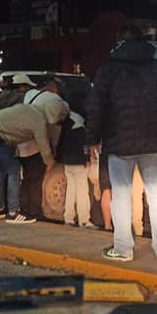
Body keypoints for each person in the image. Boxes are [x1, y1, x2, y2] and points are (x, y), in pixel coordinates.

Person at [86, 25, 157, 262]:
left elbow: (96, 107)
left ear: (120, 43)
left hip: (120, 142)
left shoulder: (108, 70)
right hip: (155, 141)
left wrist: (92, 139)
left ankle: (123, 248)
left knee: (121, 194)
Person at [0, 102, 57, 224]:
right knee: (14, 168)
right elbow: (43, 144)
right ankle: (13, 213)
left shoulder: (29, 110)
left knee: (0, 168)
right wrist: (50, 162)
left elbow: (12, 133)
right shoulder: (39, 120)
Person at [17, 79, 69, 220]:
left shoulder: (30, 95)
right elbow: (55, 124)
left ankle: (24, 210)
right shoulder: (56, 101)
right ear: (55, 90)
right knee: (36, 179)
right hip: (35, 145)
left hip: (21, 143)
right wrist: (52, 155)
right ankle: (35, 212)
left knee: (26, 179)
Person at [58, 91, 96, 228]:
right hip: (78, 160)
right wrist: (86, 157)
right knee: (82, 190)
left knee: (71, 190)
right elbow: (83, 142)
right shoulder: (79, 121)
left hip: (67, 160)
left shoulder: (67, 119)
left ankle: (68, 218)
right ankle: (84, 220)